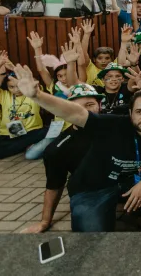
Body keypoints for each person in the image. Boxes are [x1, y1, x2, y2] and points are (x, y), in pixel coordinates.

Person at [10, 65, 141, 232]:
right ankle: (108, 211)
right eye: (139, 112)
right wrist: (37, 95)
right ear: (131, 113)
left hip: (127, 179)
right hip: (93, 189)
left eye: (90, 104)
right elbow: (75, 114)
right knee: (90, 239)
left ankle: (140, 213)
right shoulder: (99, 128)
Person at [21, 84, 103, 233]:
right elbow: (54, 185)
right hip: (90, 191)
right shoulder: (58, 148)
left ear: (100, 105)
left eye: (90, 104)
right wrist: (45, 221)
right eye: (75, 107)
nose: (84, 111)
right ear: (65, 112)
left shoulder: (116, 125)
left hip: (125, 182)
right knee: (90, 230)